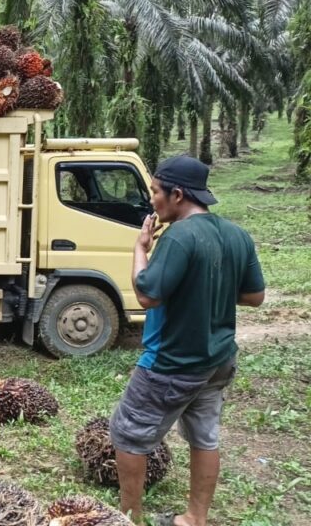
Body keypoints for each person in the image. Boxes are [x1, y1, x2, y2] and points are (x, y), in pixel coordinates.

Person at [109, 155, 265, 526]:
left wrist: (140, 249)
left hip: (172, 363)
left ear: (177, 194)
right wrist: (211, 290)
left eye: (155, 192)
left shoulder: (179, 236)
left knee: (128, 433)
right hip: (218, 362)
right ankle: (194, 518)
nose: (152, 201)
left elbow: (148, 295)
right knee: (205, 436)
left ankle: (128, 517)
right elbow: (255, 296)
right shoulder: (236, 234)